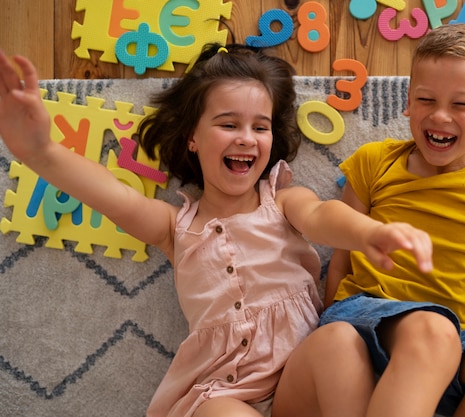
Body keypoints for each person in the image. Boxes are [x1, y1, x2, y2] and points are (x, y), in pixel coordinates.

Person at [0, 44, 434, 417]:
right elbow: (113, 197)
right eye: (229, 124)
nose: (246, 138)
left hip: (299, 380)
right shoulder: (176, 226)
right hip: (221, 390)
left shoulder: (282, 200)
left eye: (259, 127)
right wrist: (40, 150)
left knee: (340, 339)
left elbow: (324, 218)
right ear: (193, 137)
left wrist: (369, 234)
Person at [272, 23, 465, 417]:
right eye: (426, 99)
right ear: (408, 102)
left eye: (461, 104)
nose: (440, 116)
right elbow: (343, 255)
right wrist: (332, 318)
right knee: (431, 329)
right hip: (366, 319)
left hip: (455, 342)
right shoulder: (375, 162)